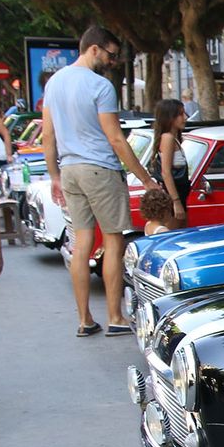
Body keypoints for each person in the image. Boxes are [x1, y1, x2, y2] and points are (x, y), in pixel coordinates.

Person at [40, 24, 161, 337]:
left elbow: (48, 135)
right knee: (112, 240)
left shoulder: (54, 82)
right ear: (94, 48)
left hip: (69, 171)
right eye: (111, 54)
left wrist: (54, 175)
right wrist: (146, 180)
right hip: (100, 170)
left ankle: (84, 319)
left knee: (81, 242)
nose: (113, 61)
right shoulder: (100, 86)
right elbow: (116, 139)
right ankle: (115, 317)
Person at [151, 98, 191, 228]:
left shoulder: (175, 138)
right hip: (174, 196)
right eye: (180, 114)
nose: (185, 117)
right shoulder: (167, 138)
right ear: (170, 117)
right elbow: (166, 172)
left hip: (181, 193)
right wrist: (176, 201)